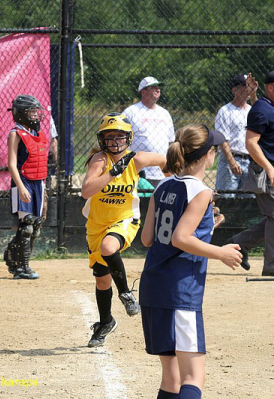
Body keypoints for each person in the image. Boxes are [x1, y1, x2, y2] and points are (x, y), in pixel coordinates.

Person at [140, 124, 242, 399]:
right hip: (180, 291)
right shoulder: (201, 191)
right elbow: (180, 238)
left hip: (153, 288)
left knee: (172, 378)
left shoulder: (162, 186)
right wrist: (220, 252)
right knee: (194, 376)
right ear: (207, 155)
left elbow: (149, 238)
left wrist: (207, 228)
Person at [81, 112, 166, 348]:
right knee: (102, 281)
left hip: (125, 220)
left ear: (128, 138)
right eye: (109, 137)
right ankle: (106, 322)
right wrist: (112, 172)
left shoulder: (135, 159)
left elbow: (165, 160)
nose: (114, 141)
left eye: (119, 136)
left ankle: (127, 293)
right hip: (96, 226)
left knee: (109, 247)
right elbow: (86, 191)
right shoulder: (100, 160)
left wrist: (174, 179)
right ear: (102, 140)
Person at [227, 69, 274, 277]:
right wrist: (269, 169)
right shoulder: (260, 109)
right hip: (265, 170)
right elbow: (251, 144)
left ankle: (240, 243)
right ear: (270, 88)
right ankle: (273, 265)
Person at [3, 95, 49, 280]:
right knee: (27, 225)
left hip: (38, 182)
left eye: (36, 112)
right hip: (23, 181)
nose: (36, 115)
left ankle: (12, 257)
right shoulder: (16, 133)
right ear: (22, 114)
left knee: (36, 226)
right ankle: (23, 267)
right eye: (32, 112)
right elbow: (12, 164)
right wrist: (21, 187)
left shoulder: (38, 134)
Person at [123, 76, 175, 187]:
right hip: (139, 172)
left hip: (163, 171)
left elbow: (171, 142)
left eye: (159, 87)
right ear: (143, 91)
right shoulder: (131, 112)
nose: (158, 89)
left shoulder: (164, 113)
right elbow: (122, 140)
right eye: (153, 87)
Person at [215, 73, 258, 198]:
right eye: (246, 86)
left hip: (250, 161)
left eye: (250, 86)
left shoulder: (251, 109)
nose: (249, 89)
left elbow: (260, 111)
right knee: (226, 200)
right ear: (235, 90)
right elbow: (223, 140)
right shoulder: (225, 111)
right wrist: (232, 162)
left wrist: (254, 94)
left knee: (249, 204)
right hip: (231, 161)